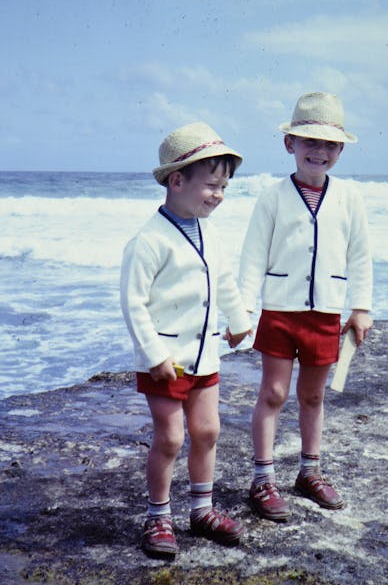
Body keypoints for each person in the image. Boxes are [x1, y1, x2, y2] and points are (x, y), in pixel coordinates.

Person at [238, 92, 372, 521]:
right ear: (289, 144)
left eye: (330, 144)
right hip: (279, 311)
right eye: (309, 141)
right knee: (274, 393)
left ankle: (309, 472)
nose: (320, 151)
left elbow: (360, 256)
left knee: (313, 395)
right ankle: (262, 479)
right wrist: (243, 310)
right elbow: (252, 258)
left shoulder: (350, 197)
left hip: (326, 312)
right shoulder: (272, 197)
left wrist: (361, 307)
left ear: (341, 151)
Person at [120, 122, 252, 558]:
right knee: (171, 438)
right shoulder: (148, 241)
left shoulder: (208, 231)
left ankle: (201, 509)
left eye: (224, 187)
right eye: (211, 185)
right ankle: (158, 517)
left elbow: (225, 280)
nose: (218, 195)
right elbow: (134, 304)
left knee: (208, 430)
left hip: (204, 353)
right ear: (177, 181)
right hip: (167, 359)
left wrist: (237, 320)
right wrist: (154, 355)